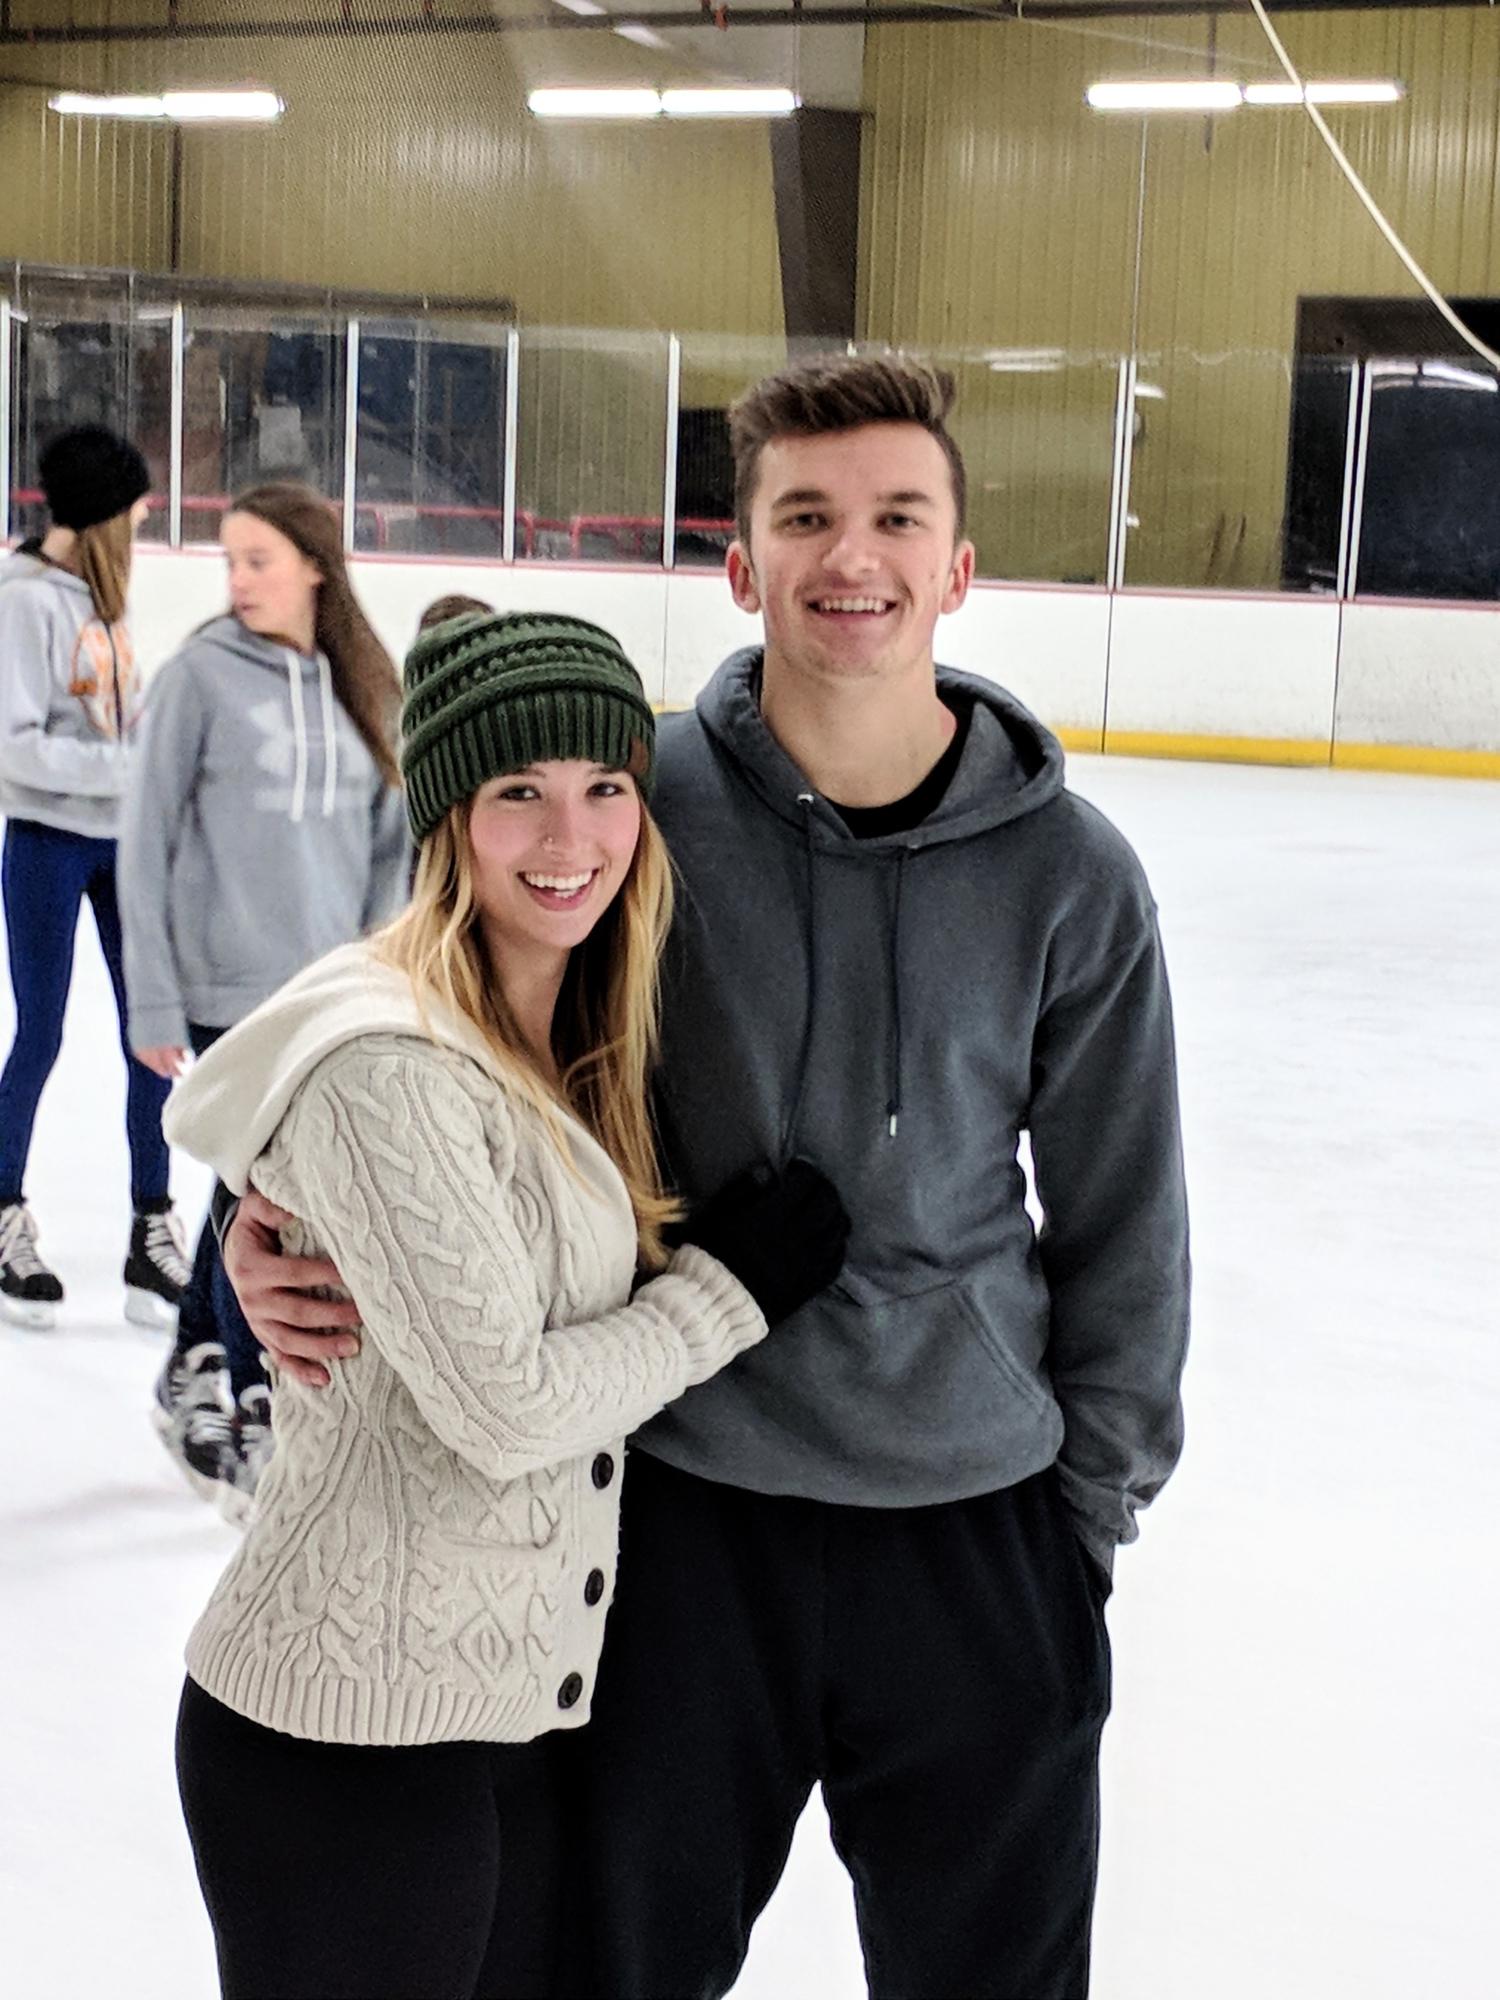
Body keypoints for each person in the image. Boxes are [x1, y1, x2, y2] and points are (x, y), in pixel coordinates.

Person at [226, 355, 1191, 1999]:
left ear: (959, 566)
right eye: (804, 516)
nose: (852, 556)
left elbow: (1125, 1231)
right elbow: (434, 1024)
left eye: (898, 516)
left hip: (973, 1543)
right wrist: (281, 1221)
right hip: (676, 1523)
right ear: (739, 564)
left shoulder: (1071, 876)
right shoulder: (631, 810)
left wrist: (1076, 1529)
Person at [164, 608, 849, 2000]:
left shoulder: (571, 1032)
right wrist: (729, 1297)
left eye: (605, 789)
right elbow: (502, 1408)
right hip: (346, 1741)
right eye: (517, 794)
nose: (570, 838)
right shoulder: (392, 1065)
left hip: (494, 1714)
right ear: (445, 817)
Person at [118, 481, 410, 1515]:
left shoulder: (361, 682)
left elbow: (391, 844)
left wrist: (380, 968)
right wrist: (150, 1000)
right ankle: (242, 1393)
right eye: (229, 561)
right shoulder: (199, 676)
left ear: (315, 567)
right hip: (223, 984)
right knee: (266, 1188)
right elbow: (141, 841)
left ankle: (201, 1365)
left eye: (258, 560)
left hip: (327, 988)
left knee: (255, 1190)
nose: (238, 580)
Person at [0, 424, 190, 1332]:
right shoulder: (24, 600)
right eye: (134, 505)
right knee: (39, 1035)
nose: (146, 515)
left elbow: (122, 713)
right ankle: (2, 1211)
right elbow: (14, 747)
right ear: (98, 514)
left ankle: (151, 1234)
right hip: (47, 843)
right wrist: (128, 771)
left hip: (123, 850)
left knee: (150, 1032)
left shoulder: (100, 596)